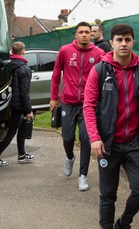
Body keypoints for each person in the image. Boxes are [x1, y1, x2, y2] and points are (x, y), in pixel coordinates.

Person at [83, 23, 139, 229]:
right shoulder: (100, 70)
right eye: (119, 39)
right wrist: (94, 137)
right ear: (112, 42)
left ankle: (123, 223)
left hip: (136, 141)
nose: (123, 43)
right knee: (108, 195)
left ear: (133, 42)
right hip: (108, 144)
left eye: (127, 39)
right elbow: (89, 105)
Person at [50, 21, 105, 191]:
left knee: (86, 139)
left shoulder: (99, 53)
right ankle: (69, 157)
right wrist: (54, 98)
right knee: (67, 138)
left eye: (87, 32)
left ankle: (83, 176)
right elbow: (56, 74)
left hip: (88, 104)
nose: (84, 34)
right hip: (67, 102)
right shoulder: (65, 51)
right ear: (75, 34)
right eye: (81, 32)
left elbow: (107, 73)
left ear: (91, 34)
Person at [0, 41, 35, 167]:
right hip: (18, 105)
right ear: (23, 51)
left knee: (20, 128)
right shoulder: (24, 69)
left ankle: (22, 155)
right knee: (11, 132)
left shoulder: (8, 65)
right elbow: (24, 92)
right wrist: (29, 110)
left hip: (7, 103)